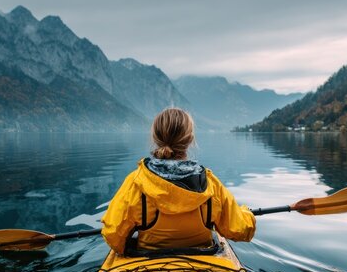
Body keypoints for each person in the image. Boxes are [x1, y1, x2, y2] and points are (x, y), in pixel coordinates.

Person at [101, 108, 256, 255]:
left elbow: (113, 235)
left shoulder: (136, 183)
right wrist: (246, 213)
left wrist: (127, 245)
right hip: (203, 262)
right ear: (190, 139)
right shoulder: (210, 184)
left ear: (155, 138)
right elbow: (240, 230)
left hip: (147, 263)